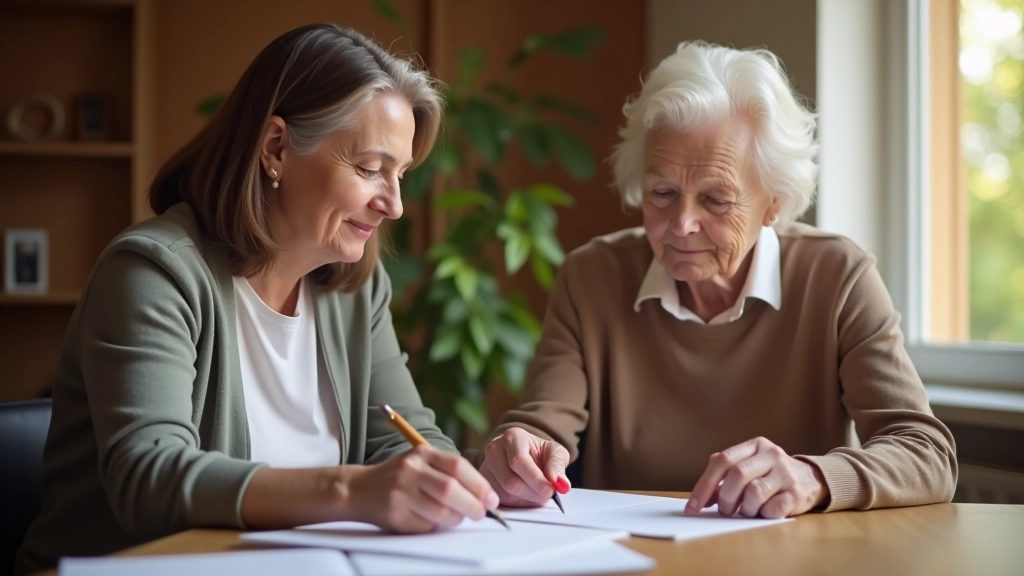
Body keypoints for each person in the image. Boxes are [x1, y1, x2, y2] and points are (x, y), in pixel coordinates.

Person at [16, 24, 499, 575]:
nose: (394, 206)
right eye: (369, 169)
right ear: (276, 147)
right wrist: (348, 489)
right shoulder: (153, 272)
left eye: (400, 175)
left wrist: (481, 475)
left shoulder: (355, 288)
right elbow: (149, 479)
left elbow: (403, 445)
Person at [477, 41, 958, 519]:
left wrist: (813, 477)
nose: (682, 223)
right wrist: (520, 454)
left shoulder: (838, 278)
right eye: (662, 192)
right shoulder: (592, 277)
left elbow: (926, 453)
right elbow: (543, 424)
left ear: (774, 202)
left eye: (716, 199)